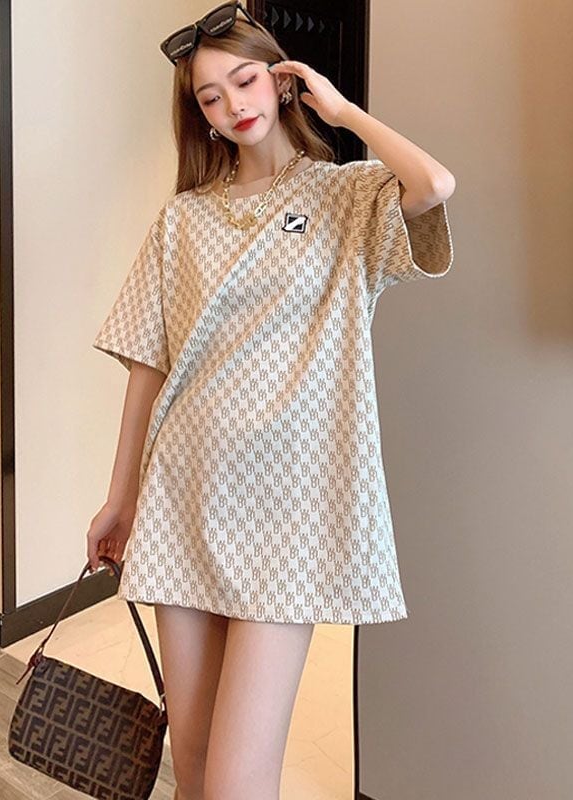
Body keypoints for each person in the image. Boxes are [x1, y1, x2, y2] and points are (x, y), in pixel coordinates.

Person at [85, 3, 456, 798]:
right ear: (201, 117)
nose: (232, 104)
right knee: (192, 768)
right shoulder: (183, 218)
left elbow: (433, 184)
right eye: (210, 97)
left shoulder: (347, 195)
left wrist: (344, 111)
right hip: (184, 496)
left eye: (245, 80)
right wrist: (122, 498)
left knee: (236, 782)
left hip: (287, 508)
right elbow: (147, 367)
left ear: (283, 82)